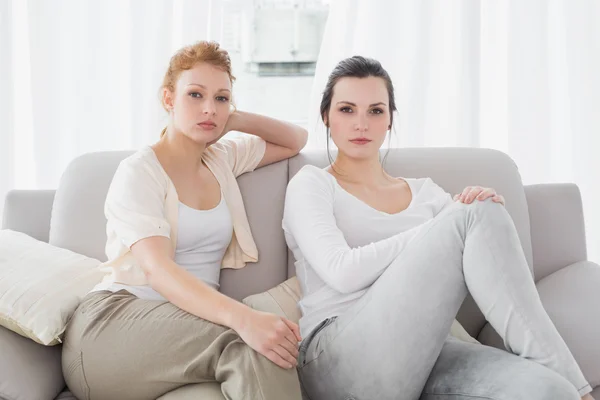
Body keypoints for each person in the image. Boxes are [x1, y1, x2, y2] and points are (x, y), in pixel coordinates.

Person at [283, 55, 593, 400]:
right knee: (469, 214)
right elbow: (342, 273)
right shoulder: (310, 184)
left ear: (389, 120)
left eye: (375, 111)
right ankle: (583, 391)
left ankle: (571, 388)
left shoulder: (426, 193)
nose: (361, 124)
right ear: (326, 116)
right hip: (335, 357)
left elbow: (479, 253)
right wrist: (448, 225)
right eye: (346, 110)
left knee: (551, 391)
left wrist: (475, 214)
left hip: (428, 349)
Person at [62, 40, 307, 400]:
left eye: (221, 98)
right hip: (112, 327)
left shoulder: (222, 159)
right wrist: (243, 318)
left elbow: (296, 139)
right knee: (253, 340)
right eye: (195, 95)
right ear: (168, 100)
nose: (208, 108)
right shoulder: (139, 172)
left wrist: (232, 118)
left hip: (182, 335)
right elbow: (158, 271)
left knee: (264, 343)